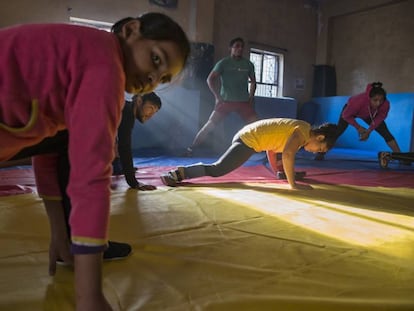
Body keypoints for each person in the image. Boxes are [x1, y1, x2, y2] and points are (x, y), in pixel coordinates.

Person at [0, 12, 190, 311]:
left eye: (160, 79)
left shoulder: (87, 55)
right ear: (130, 30)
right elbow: (90, 179)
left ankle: (68, 247)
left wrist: (60, 235)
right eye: (155, 60)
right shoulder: (105, 66)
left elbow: (49, 150)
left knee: (67, 140)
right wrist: (89, 297)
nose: (151, 80)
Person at [161, 118, 338, 190]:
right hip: (248, 139)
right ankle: (178, 173)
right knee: (218, 169)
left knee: (219, 168)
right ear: (320, 137)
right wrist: (293, 185)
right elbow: (287, 155)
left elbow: (272, 148)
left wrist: (277, 169)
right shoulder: (301, 133)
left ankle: (179, 173)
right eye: (320, 149)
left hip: (248, 136)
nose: (316, 152)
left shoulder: (302, 130)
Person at [185, 37, 257, 156]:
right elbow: (210, 79)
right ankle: (190, 149)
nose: (239, 49)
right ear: (231, 48)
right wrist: (217, 97)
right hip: (226, 102)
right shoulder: (224, 63)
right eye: (237, 46)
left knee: (257, 125)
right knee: (209, 125)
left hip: (243, 102)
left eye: (241, 47)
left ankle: (265, 150)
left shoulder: (248, 64)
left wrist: (250, 97)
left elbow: (253, 82)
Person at [315, 82, 402, 160]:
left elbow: (380, 118)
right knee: (338, 131)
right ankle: (321, 152)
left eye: (381, 100)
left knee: (385, 132)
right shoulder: (358, 101)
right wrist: (358, 127)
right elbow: (346, 116)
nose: (378, 103)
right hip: (350, 112)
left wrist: (369, 131)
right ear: (369, 98)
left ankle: (400, 156)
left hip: (368, 114)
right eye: (375, 100)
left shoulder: (385, 104)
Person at [112, 92, 162, 190]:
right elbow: (124, 148)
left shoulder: (124, 109)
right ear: (139, 101)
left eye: (154, 112)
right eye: (150, 108)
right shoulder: (127, 112)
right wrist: (134, 183)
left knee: (114, 142)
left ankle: (115, 167)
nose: (151, 115)